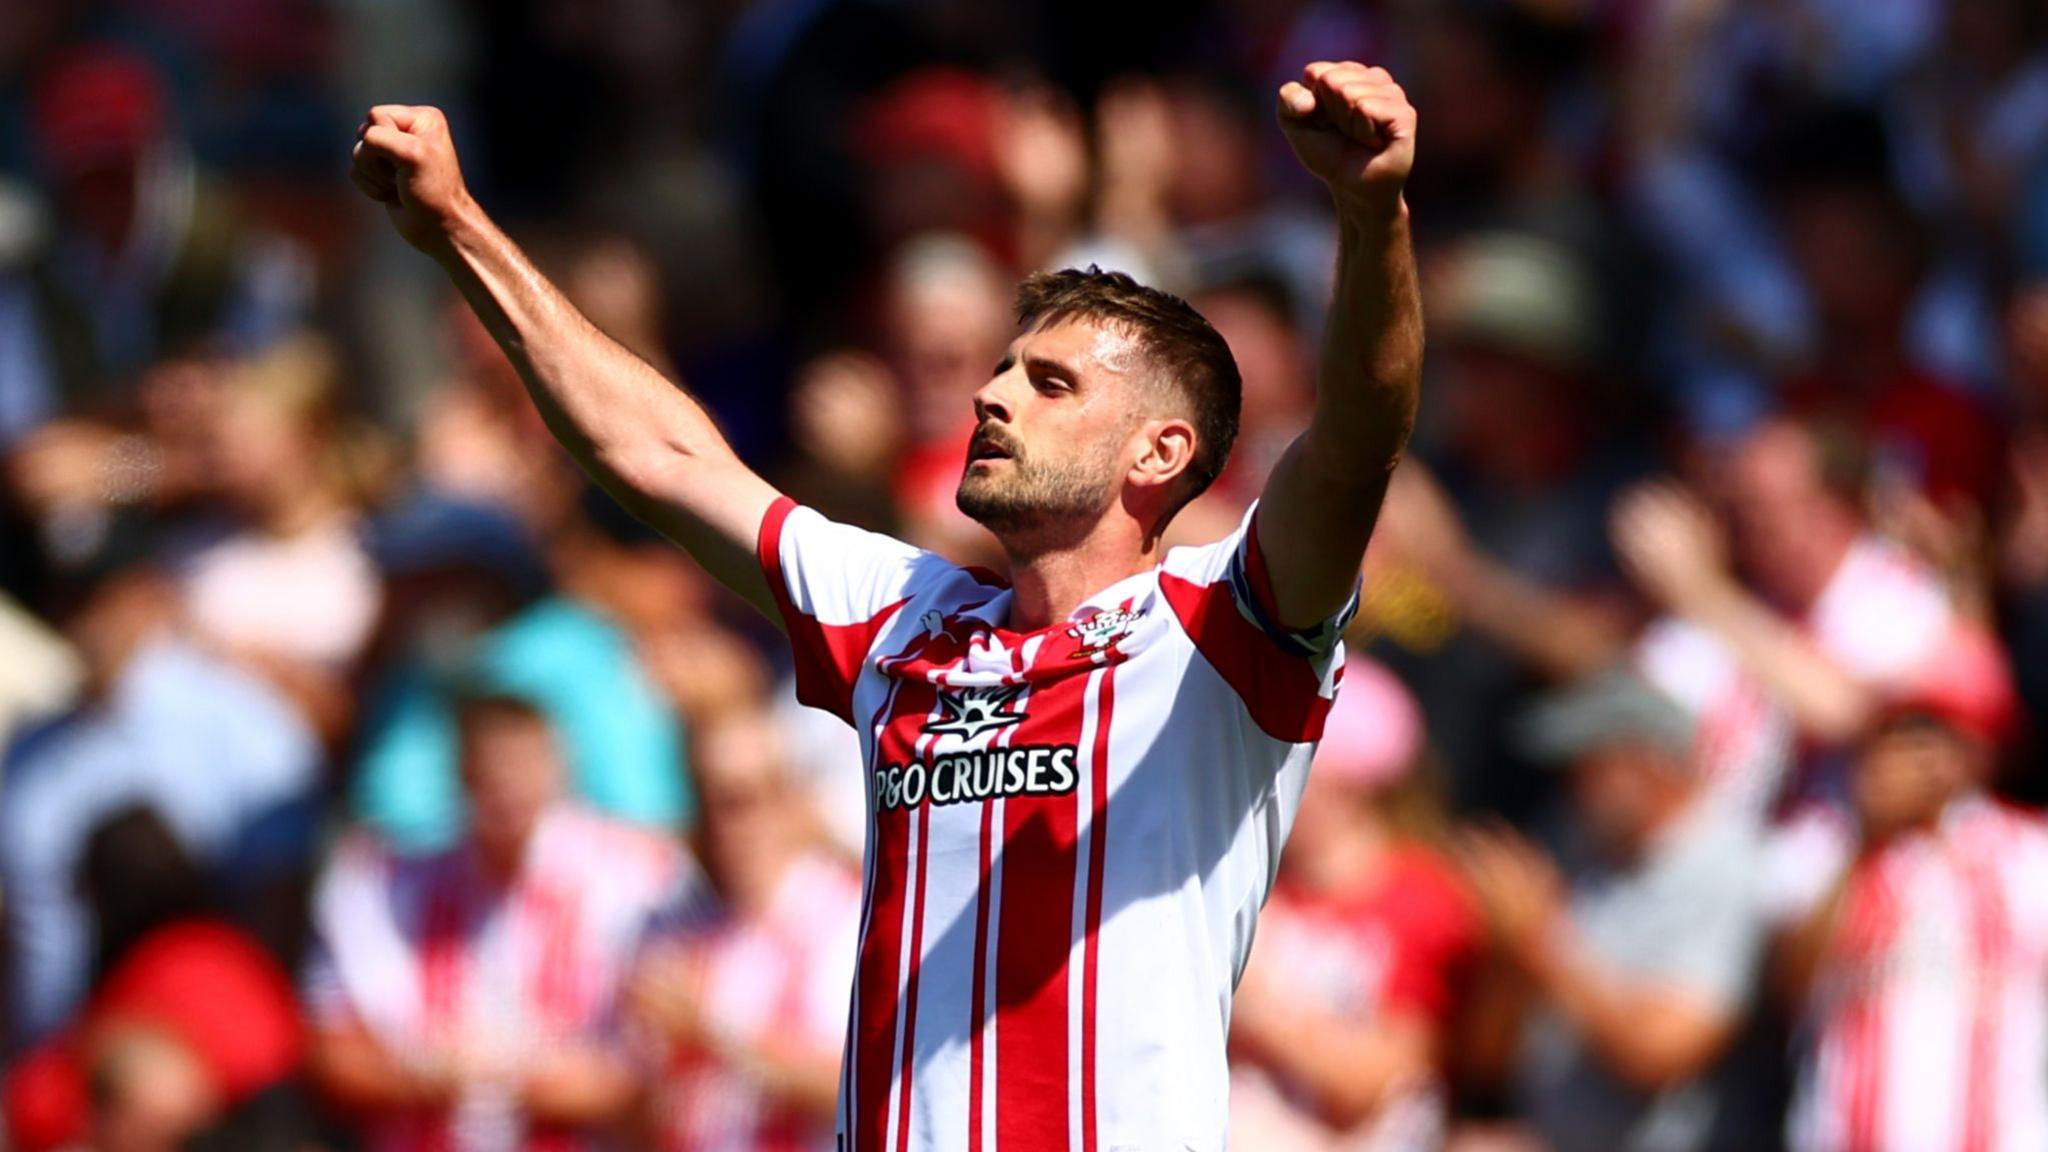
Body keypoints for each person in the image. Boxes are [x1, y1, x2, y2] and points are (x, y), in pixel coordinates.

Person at [350, 55, 1424, 1151]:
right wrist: (460, 229)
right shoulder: (908, 614)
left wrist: (1370, 209)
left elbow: (1354, 441)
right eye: (1002, 370)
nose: (990, 395)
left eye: (1049, 384)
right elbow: (659, 454)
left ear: (1159, 451)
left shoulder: (1220, 627)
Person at [303, 693, 701, 1151]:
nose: (508, 790)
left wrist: (522, 1076)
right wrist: (440, 1074)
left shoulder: (640, 878)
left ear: (559, 769)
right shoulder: (383, 884)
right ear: (462, 776)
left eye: (524, 768)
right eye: (492, 774)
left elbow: (666, 1062)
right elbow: (335, 1055)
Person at [1457, 671, 1765, 1152]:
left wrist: (1541, 944)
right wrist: (1507, 957)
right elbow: (1485, 1063)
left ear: (1649, 762)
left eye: (1591, 764)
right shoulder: (1579, 849)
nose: (1574, 785)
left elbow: (1659, 1052)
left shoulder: (1724, 868)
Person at [1768, 630, 2047, 1152]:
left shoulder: (2031, 855)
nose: (1922, 756)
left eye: (1943, 734)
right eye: (1905, 733)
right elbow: (1790, 984)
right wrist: (1864, 840)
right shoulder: (1819, 844)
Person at [1227, 657, 1480, 1152]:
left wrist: (1252, 1005)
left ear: (1348, 783)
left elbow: (1380, 1083)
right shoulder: (1261, 887)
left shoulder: (1422, 901)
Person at [631, 707, 860, 1151]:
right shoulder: (681, 929)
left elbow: (862, 1082)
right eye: (706, 800)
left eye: (740, 799)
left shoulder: (848, 920)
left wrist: (716, 1033)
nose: (722, 825)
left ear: (792, 799)